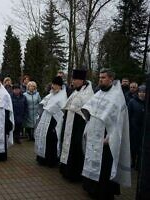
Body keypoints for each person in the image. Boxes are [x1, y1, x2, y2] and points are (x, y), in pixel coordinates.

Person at [81, 68, 131, 200]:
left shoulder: (117, 97)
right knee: (92, 162)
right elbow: (89, 110)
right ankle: (91, 189)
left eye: (103, 77)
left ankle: (103, 193)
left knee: (104, 168)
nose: (100, 79)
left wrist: (110, 137)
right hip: (94, 137)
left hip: (106, 140)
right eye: (99, 77)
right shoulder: (99, 93)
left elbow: (118, 122)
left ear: (111, 79)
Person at [59, 69, 94, 181]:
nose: (73, 81)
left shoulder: (88, 93)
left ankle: (75, 174)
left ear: (82, 80)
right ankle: (66, 170)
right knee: (67, 145)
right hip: (70, 122)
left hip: (79, 125)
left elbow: (87, 111)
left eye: (75, 79)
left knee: (76, 147)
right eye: (73, 79)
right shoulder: (75, 91)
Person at [35, 76, 67, 167]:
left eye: (56, 85)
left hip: (54, 122)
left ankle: (51, 160)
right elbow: (43, 104)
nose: (53, 86)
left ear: (60, 86)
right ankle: (42, 158)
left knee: (51, 141)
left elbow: (61, 112)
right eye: (53, 84)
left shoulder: (62, 97)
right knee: (43, 138)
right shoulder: (50, 94)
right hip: (45, 120)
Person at [128, 85, 146, 169]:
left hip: (144, 129)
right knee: (133, 146)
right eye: (140, 92)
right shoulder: (132, 101)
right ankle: (132, 161)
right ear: (137, 92)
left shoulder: (146, 103)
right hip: (134, 128)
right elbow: (129, 115)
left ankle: (139, 164)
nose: (142, 94)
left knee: (141, 147)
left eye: (144, 92)